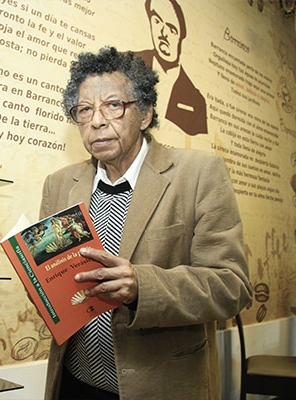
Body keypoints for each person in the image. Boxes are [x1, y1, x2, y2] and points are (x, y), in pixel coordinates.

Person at [39, 46, 252, 399]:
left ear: (145, 113)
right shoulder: (59, 184)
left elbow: (232, 286)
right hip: (74, 382)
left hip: (160, 386)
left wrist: (143, 286)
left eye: (113, 105)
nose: (96, 121)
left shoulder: (199, 174)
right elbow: (52, 281)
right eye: (84, 109)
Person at [135, 0, 208, 136]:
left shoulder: (196, 100)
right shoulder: (126, 64)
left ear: (181, 36)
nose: (163, 33)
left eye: (171, 28)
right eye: (157, 21)